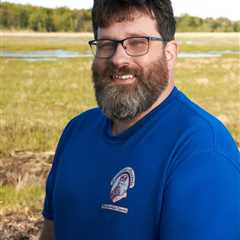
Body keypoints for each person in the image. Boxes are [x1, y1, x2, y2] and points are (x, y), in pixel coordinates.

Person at [39, 0, 240, 239]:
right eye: (106, 44)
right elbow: (51, 233)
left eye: (137, 43)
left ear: (169, 53)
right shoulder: (77, 131)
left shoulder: (202, 152)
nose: (118, 58)